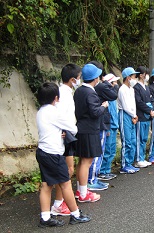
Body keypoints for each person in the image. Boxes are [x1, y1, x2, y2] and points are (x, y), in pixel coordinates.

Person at [36, 82, 91, 227]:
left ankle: (45, 218)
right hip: (54, 154)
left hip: (42, 151)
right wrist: (65, 131)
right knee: (66, 184)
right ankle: (75, 215)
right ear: (56, 98)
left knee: (46, 185)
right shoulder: (54, 112)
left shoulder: (40, 111)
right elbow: (73, 128)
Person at [74, 64, 108, 202]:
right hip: (89, 130)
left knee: (82, 161)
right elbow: (95, 112)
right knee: (86, 162)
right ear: (95, 78)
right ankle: (83, 194)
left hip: (81, 128)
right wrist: (103, 106)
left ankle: (80, 189)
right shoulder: (90, 92)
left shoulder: (79, 91)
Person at [51, 64, 81, 216]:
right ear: (72, 79)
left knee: (67, 169)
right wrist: (66, 131)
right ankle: (58, 204)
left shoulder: (65, 91)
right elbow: (60, 115)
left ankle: (59, 202)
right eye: (79, 77)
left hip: (66, 134)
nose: (79, 80)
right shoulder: (64, 93)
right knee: (67, 170)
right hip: (65, 135)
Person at [87, 61, 118, 190]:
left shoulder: (89, 88)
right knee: (97, 153)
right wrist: (110, 84)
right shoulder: (99, 86)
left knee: (99, 152)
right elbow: (114, 95)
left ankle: (94, 177)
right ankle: (92, 179)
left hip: (99, 122)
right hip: (99, 123)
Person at [98, 73, 120, 180]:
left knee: (112, 149)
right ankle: (103, 171)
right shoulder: (107, 98)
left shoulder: (112, 98)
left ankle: (108, 170)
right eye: (114, 82)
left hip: (114, 125)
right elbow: (108, 113)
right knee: (106, 149)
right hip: (109, 126)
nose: (116, 84)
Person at [118, 67, 140, 174]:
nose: (135, 79)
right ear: (128, 77)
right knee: (126, 141)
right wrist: (134, 115)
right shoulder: (122, 89)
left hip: (132, 115)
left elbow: (133, 104)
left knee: (132, 140)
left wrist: (134, 115)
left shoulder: (132, 89)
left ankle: (130, 163)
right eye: (134, 76)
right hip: (125, 114)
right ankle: (124, 165)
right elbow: (126, 106)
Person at [133, 66, 154, 168]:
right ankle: (138, 159)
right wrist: (149, 110)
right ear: (141, 75)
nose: (147, 76)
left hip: (147, 117)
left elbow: (151, 100)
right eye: (146, 74)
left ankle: (142, 157)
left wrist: (153, 109)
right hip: (141, 116)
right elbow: (139, 102)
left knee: (144, 138)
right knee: (139, 138)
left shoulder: (146, 87)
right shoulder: (136, 88)